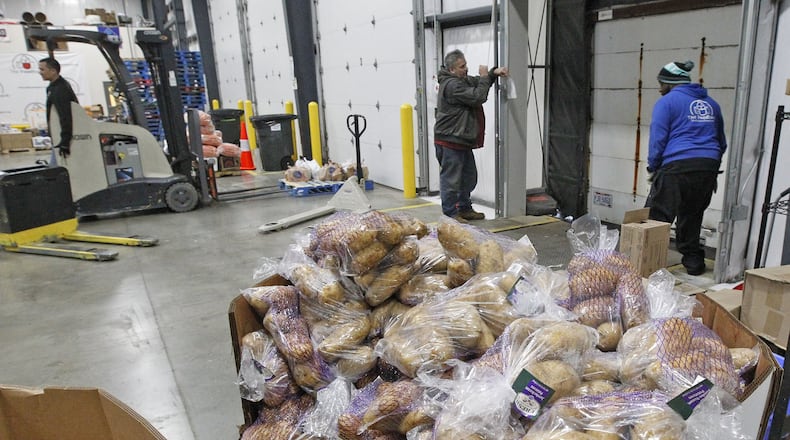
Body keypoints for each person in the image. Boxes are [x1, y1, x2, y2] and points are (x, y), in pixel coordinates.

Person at [645, 60, 727, 276]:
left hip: (677, 165)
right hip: (707, 167)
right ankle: (694, 263)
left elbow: (658, 138)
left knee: (657, 218)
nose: (659, 88)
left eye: (661, 83)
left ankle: (647, 265)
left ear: (669, 82)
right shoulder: (711, 103)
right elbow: (722, 141)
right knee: (692, 215)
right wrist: (708, 163)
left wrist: (653, 166)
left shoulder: (667, 102)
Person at [434, 49, 508, 222]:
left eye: (465, 64)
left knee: (468, 177)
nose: (466, 69)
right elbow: (478, 96)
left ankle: (464, 208)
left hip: (460, 140)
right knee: (451, 180)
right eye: (462, 66)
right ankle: (451, 215)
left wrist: (492, 73)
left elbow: (477, 82)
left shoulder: (460, 80)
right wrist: (483, 77)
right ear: (452, 70)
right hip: (449, 141)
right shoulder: (452, 85)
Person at [39, 57, 79, 158]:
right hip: (57, 136)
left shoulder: (60, 89)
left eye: (42, 69)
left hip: (64, 139)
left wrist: (65, 141)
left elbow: (65, 115)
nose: (40, 72)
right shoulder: (52, 88)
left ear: (53, 71)